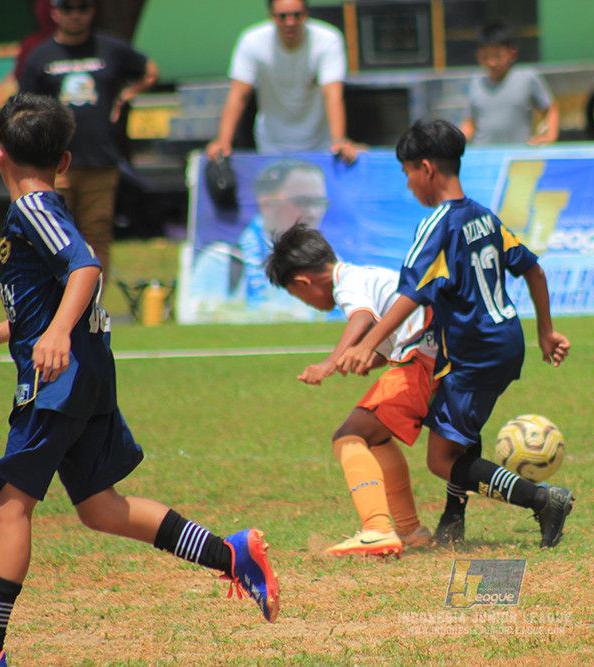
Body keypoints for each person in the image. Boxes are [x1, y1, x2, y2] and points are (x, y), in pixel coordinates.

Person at [0, 93, 280, 666]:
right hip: (87, 374)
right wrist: (7, 329)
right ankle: (233, 555)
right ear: (66, 161)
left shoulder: (33, 209)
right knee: (100, 508)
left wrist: (56, 335)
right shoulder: (50, 210)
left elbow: (85, 269)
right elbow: (54, 285)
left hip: (60, 380)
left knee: (9, 506)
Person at [337, 119, 574, 549]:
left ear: (426, 168)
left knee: (440, 459)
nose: (409, 184)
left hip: (473, 350)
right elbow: (534, 270)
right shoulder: (484, 216)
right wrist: (546, 331)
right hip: (502, 340)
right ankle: (452, 519)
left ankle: (542, 500)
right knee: (458, 426)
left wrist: (367, 344)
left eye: (408, 172)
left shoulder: (437, 225)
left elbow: (409, 294)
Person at [264, 222, 437, 556]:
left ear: (303, 282)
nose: (304, 301)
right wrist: (368, 361)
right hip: (426, 359)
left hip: (420, 362)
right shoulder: (363, 274)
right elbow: (388, 327)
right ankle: (410, 529)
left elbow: (362, 318)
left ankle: (376, 530)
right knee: (374, 436)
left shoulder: (347, 285)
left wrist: (331, 361)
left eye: (295, 294)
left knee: (348, 436)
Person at [18, 0, 159, 274]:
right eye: (68, 8)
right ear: (55, 12)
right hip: (54, 165)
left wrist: (126, 95)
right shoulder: (39, 56)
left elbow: (150, 71)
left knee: (98, 234)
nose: (75, 15)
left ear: (92, 11)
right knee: (55, 238)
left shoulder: (110, 47)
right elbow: (23, 110)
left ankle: (93, 308)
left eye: (82, 8)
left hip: (101, 161)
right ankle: (58, 307)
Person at [206, 0, 358, 165]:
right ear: (271, 16)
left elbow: (333, 95)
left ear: (306, 14)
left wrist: (339, 141)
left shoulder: (328, 40)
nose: (290, 22)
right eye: (282, 16)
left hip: (319, 144)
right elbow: (239, 95)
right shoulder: (251, 42)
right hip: (271, 144)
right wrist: (223, 142)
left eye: (297, 15)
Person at [187, 158, 327, 321]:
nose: (313, 213)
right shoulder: (219, 262)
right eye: (303, 202)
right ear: (267, 204)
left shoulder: (330, 265)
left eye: (320, 203)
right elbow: (199, 323)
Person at [460, 22, 559, 146]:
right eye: (486, 57)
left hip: (518, 155)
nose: (492, 63)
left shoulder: (527, 78)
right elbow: (469, 123)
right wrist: (458, 145)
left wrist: (550, 137)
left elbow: (550, 110)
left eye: (498, 56)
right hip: (484, 156)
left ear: (512, 52)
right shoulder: (476, 82)